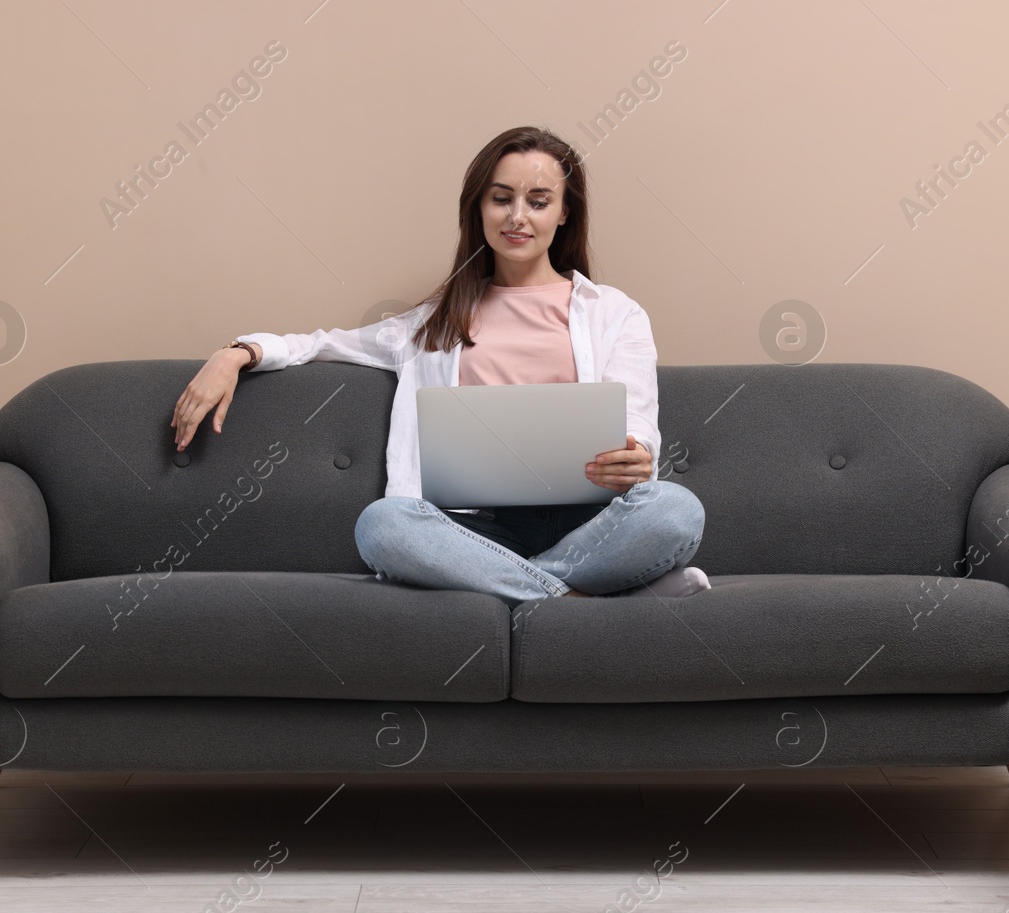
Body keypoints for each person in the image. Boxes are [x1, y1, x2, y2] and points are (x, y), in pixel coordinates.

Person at [170, 126, 708, 604]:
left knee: (677, 510)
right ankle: (579, 591)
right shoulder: (431, 324)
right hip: (473, 534)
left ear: (564, 212)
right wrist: (236, 352)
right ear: (479, 208)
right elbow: (320, 343)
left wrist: (635, 456)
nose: (517, 216)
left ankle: (531, 585)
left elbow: (637, 425)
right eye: (502, 199)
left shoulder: (615, 313)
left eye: (538, 201)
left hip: (593, 524)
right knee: (383, 526)